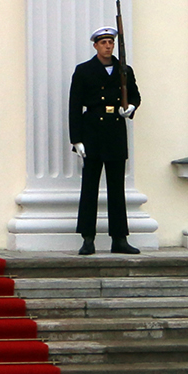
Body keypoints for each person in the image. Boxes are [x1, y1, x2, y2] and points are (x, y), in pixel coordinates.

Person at [69, 26, 142, 256]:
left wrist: (130, 107)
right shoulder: (84, 71)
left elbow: (135, 95)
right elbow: (74, 106)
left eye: (110, 42)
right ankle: (87, 238)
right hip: (92, 132)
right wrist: (76, 139)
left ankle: (119, 238)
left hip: (115, 131)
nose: (108, 46)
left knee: (116, 189)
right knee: (89, 187)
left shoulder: (124, 70)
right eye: (103, 42)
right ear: (95, 46)